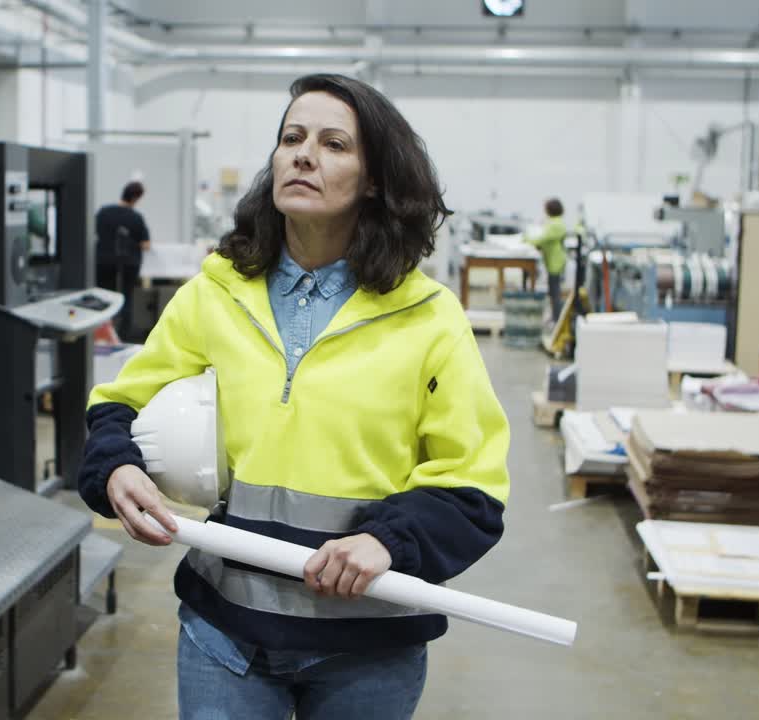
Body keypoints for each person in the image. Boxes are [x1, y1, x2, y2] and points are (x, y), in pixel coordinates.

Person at [78, 74, 510, 720]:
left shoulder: (429, 318)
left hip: (367, 649)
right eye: (291, 138)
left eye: (333, 144)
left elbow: (473, 487)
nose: (304, 155)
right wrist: (115, 466)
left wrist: (388, 542)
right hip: (226, 635)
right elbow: (119, 403)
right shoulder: (218, 293)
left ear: (374, 180)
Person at [95, 181, 151, 339]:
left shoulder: (103, 213)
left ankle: (102, 334)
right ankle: (123, 336)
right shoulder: (135, 218)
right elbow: (146, 245)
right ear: (135, 198)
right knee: (126, 298)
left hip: (103, 261)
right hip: (128, 263)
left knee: (103, 297)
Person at [524, 198, 568, 323]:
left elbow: (543, 238)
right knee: (553, 291)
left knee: (555, 292)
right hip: (553, 261)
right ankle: (555, 317)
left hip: (556, 262)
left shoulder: (556, 224)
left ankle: (556, 319)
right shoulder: (555, 222)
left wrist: (526, 240)